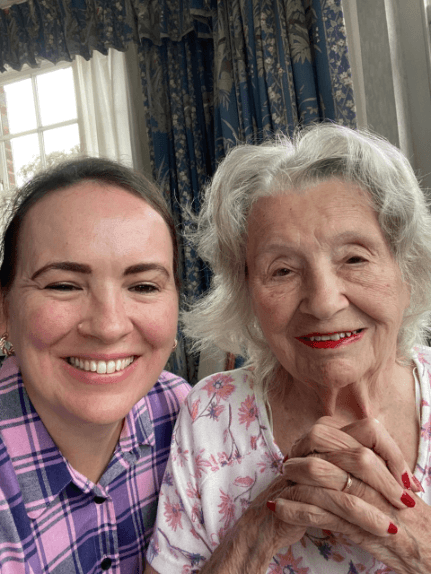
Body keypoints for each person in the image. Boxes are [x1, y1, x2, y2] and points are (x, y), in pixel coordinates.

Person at [145, 124, 431, 574]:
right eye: (281, 270)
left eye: (354, 258)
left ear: (407, 269)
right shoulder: (210, 415)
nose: (322, 301)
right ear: (246, 294)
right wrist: (257, 528)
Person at [0, 157, 190, 573]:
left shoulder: (187, 415)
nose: (107, 327)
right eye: (63, 285)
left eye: (143, 286)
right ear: (4, 310)